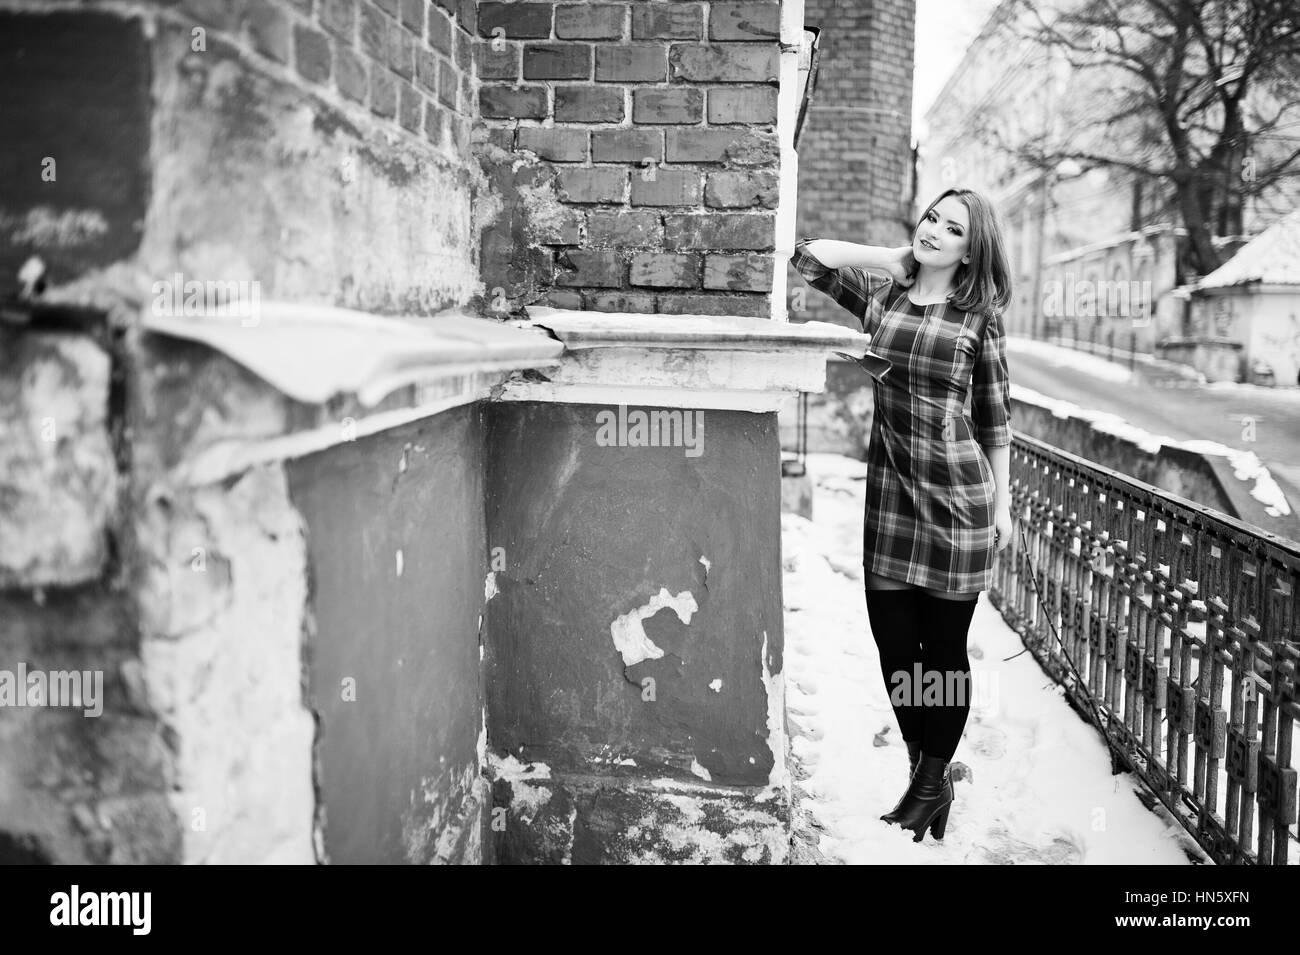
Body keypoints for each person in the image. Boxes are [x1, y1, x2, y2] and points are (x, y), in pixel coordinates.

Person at [790, 187, 1014, 844]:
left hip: (958, 502)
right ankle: (931, 774)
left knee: (940, 654)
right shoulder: (885, 295)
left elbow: (996, 419)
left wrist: (1004, 504)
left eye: (953, 228)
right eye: (931, 218)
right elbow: (809, 259)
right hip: (891, 495)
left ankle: (926, 781)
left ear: (972, 250)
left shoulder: (980, 319)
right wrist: (891, 258)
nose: (935, 231)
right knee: (895, 647)